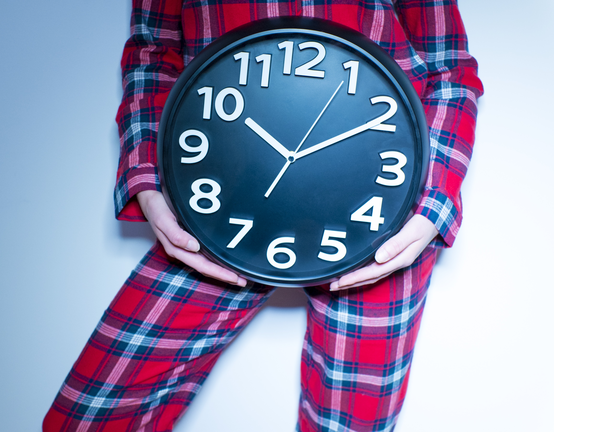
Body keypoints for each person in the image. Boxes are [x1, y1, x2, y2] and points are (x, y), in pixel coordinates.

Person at [44, 1, 483, 431]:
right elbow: (152, 53)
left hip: (384, 205)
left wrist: (432, 203)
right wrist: (145, 176)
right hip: (215, 197)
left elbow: (449, 67)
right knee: (88, 417)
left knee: (350, 423)